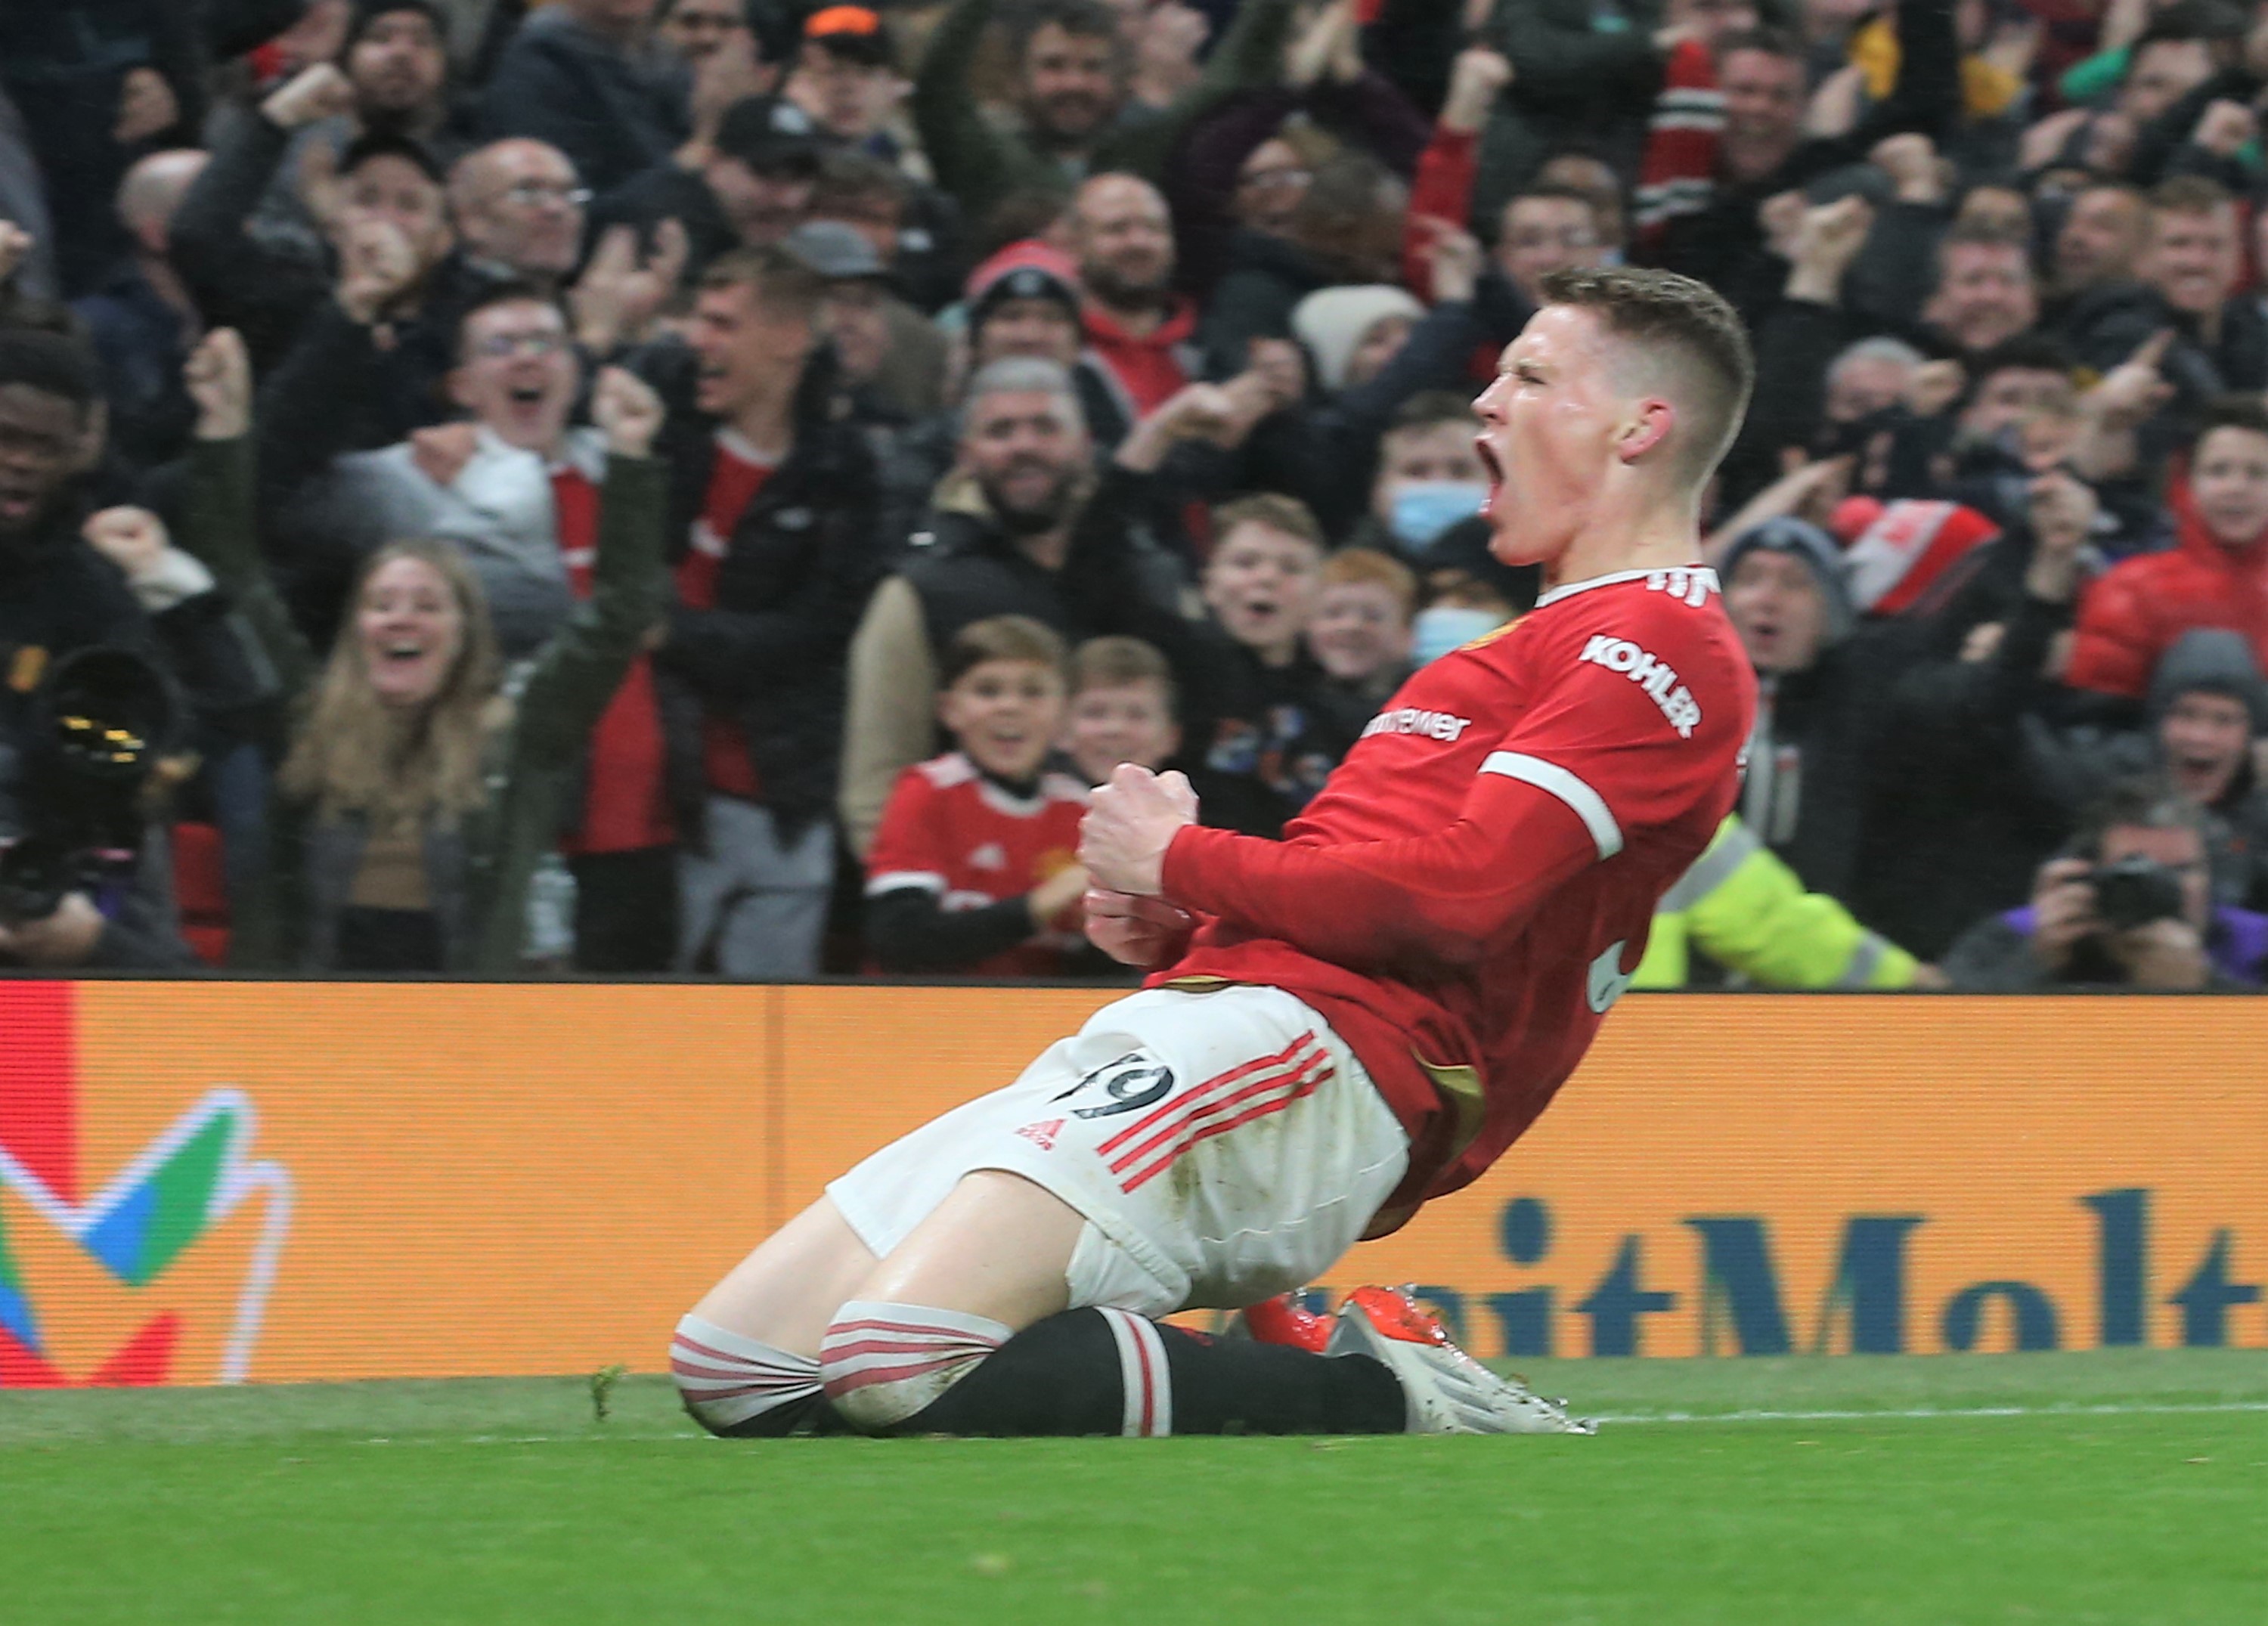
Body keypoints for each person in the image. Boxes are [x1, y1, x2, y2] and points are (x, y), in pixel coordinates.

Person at [669, 265, 1756, 1440]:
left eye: (1533, 377)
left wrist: (1185, 856)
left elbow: (1459, 901)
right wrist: (1185, 915)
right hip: (1214, 1014)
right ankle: (1251, 1365)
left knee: (898, 1354)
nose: (1486, 401)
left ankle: (1381, 1393)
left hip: (1329, 1052)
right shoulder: (1532, 642)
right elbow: (1389, 881)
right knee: (738, 1362)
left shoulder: (1657, 641)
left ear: (1644, 427)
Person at [175, 327, 671, 974]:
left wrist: (630, 459)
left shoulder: (521, 734)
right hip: (308, 1026)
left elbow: (617, 619)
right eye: (382, 604)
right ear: (355, 629)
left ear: (465, 634)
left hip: (463, 1035)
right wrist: (222, 431)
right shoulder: (305, 719)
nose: (401, 619)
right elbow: (236, 579)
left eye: (428, 605)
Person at [644, 246, 881, 979]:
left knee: (762, 1052)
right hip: (660, 801)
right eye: (695, 320)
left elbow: (818, 633)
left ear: (787, 339)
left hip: (784, 794)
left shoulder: (842, 468)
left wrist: (674, 635)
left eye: (721, 323)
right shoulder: (659, 440)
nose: (697, 340)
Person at [863, 616, 1093, 976]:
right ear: (949, 710)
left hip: (1045, 1019)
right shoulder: (926, 792)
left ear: (1064, 715)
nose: (1010, 707)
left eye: (1032, 692)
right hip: (928, 1015)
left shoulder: (1082, 810)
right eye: (988, 691)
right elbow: (901, 940)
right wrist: (1042, 903)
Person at [1941, 777, 2266, 990]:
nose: (2157, 887)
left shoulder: (2256, 947)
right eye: (2134, 870)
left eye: (2180, 871)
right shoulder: (2011, 937)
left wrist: (2204, 989)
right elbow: (1943, 1057)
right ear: (2089, 876)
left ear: (2210, 877)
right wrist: (2033, 965)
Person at [1061, 635, 1180, 785]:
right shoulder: (1027, 807)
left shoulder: (1187, 809)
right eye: (1095, 713)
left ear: (1170, 737)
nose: (1115, 728)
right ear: (1061, 730)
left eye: (1137, 715)